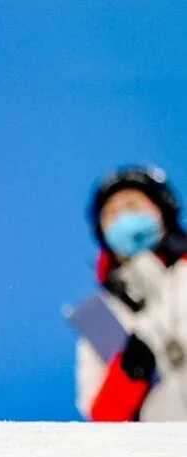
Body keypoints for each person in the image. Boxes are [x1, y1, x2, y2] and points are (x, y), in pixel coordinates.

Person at [76, 164, 187, 421]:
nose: (123, 219)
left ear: (163, 210)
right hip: (161, 452)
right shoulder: (101, 316)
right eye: (111, 214)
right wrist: (129, 374)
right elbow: (99, 417)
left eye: (133, 206)